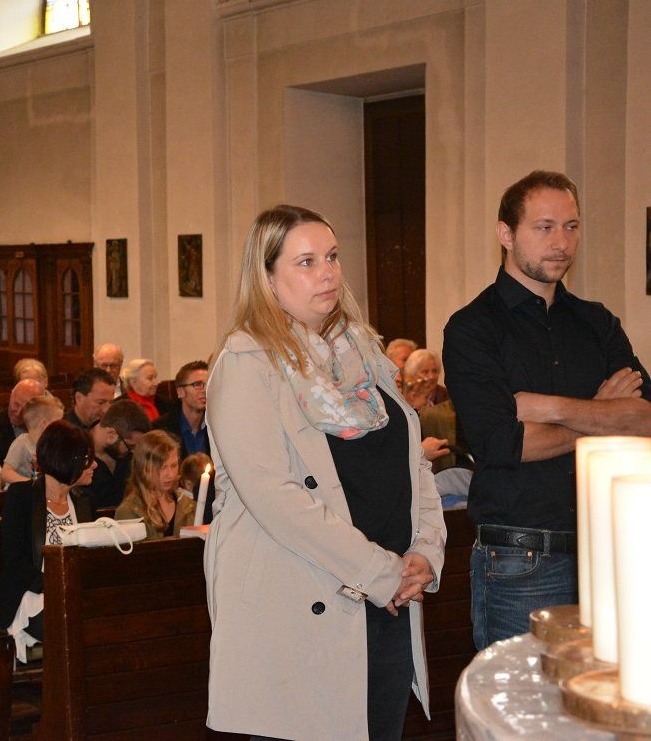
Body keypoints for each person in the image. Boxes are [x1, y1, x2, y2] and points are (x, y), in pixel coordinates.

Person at [205, 204, 445, 740]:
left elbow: (414, 465)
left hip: (388, 603)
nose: (328, 273)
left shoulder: (364, 353)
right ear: (267, 277)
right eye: (307, 262)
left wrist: (427, 551)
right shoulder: (246, 363)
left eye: (332, 257)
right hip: (301, 604)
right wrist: (382, 573)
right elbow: (277, 499)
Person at [443, 169, 651, 650]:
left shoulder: (597, 322)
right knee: (525, 699)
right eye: (544, 227)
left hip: (609, 552)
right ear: (506, 233)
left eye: (571, 226)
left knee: (605, 694)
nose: (562, 242)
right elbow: (503, 444)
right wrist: (603, 416)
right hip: (520, 558)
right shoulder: (473, 328)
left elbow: (644, 419)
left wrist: (550, 408)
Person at [0, 420, 96, 662]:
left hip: (72, 594)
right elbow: (15, 561)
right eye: (86, 459)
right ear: (64, 460)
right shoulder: (22, 497)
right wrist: (55, 584)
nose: (93, 464)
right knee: (72, 626)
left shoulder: (83, 500)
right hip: (30, 594)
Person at [116, 430, 196, 538]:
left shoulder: (188, 505)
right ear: (145, 469)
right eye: (163, 467)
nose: (170, 474)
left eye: (174, 465)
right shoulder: (129, 511)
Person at [88, 399, 150, 510]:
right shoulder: (78, 452)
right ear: (111, 434)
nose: (133, 452)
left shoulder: (128, 455)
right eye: (130, 446)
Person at [152, 360, 211, 460]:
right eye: (197, 384)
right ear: (180, 392)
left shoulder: (216, 427)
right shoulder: (161, 430)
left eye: (208, 384)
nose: (205, 390)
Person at [0, 394, 64, 486]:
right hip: (21, 492)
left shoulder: (52, 445)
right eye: (59, 422)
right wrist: (31, 484)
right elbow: (6, 473)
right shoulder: (22, 443)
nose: (62, 426)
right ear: (44, 424)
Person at [0, 377, 45, 458]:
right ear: (11, 395)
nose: (18, 413)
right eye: (16, 404)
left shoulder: (44, 425)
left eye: (25, 409)